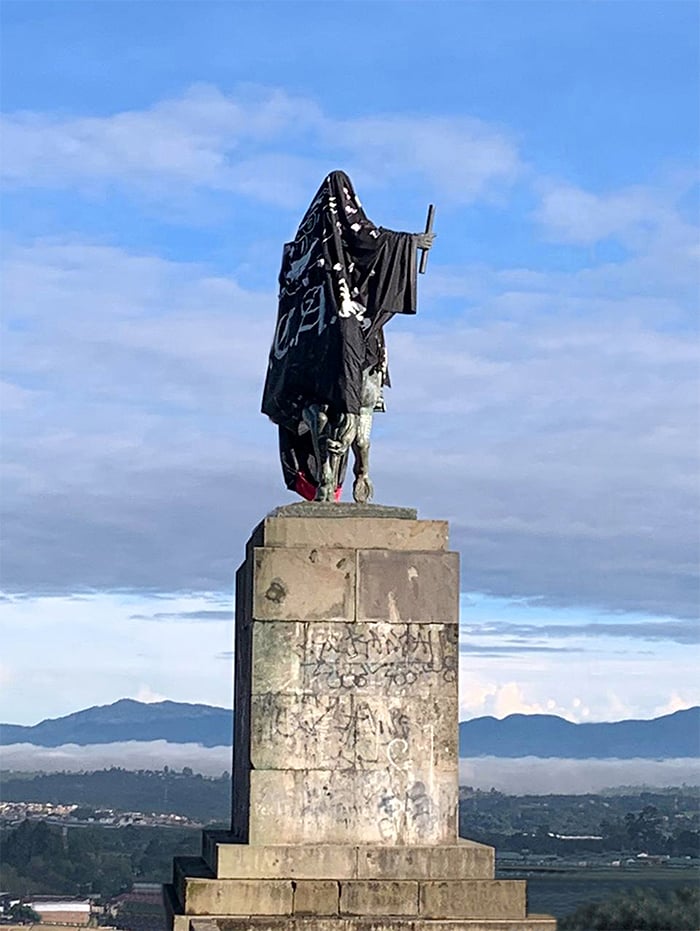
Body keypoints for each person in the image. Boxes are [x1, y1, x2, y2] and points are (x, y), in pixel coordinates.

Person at [261, 170, 433, 502]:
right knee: (331, 405)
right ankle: (340, 474)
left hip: (317, 344)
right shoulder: (324, 242)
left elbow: (364, 248)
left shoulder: (303, 247)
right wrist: (412, 242)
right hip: (336, 339)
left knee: (338, 405)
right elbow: (367, 239)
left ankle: (352, 472)